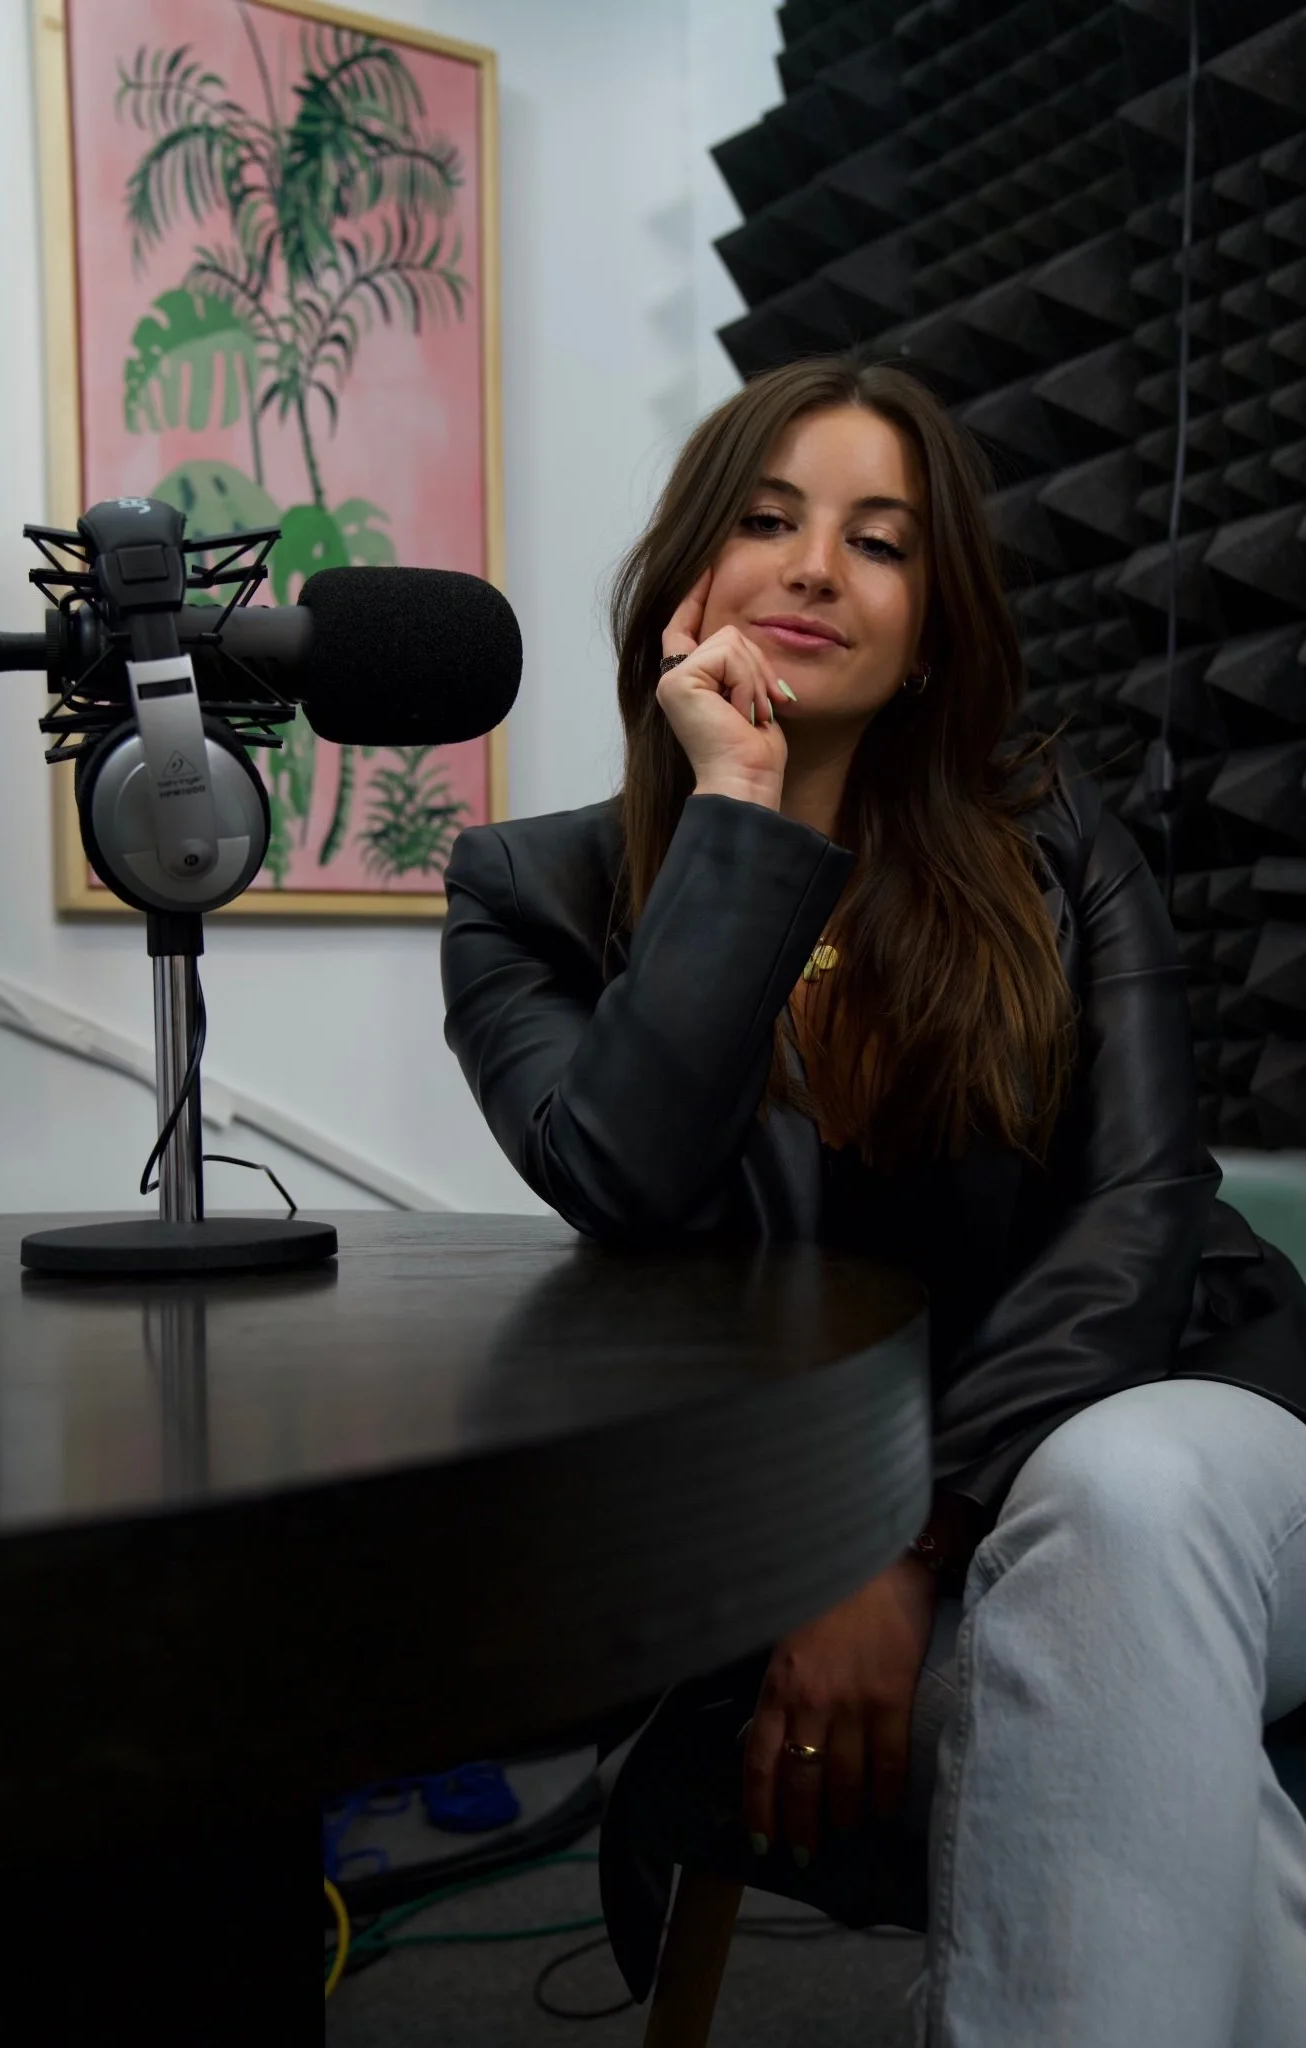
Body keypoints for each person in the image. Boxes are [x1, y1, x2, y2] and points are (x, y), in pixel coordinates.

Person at [440, 354, 1306, 2045]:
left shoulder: (1055, 843)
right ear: (686, 572)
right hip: (938, 1560)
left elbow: (1139, 1212)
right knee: (1090, 1694)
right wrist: (738, 812)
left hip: (1212, 1440)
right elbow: (623, 1178)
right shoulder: (527, 896)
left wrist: (901, 1549)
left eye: (880, 541)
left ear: (930, 633)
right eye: (767, 521)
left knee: (1118, 1491)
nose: (817, 569)